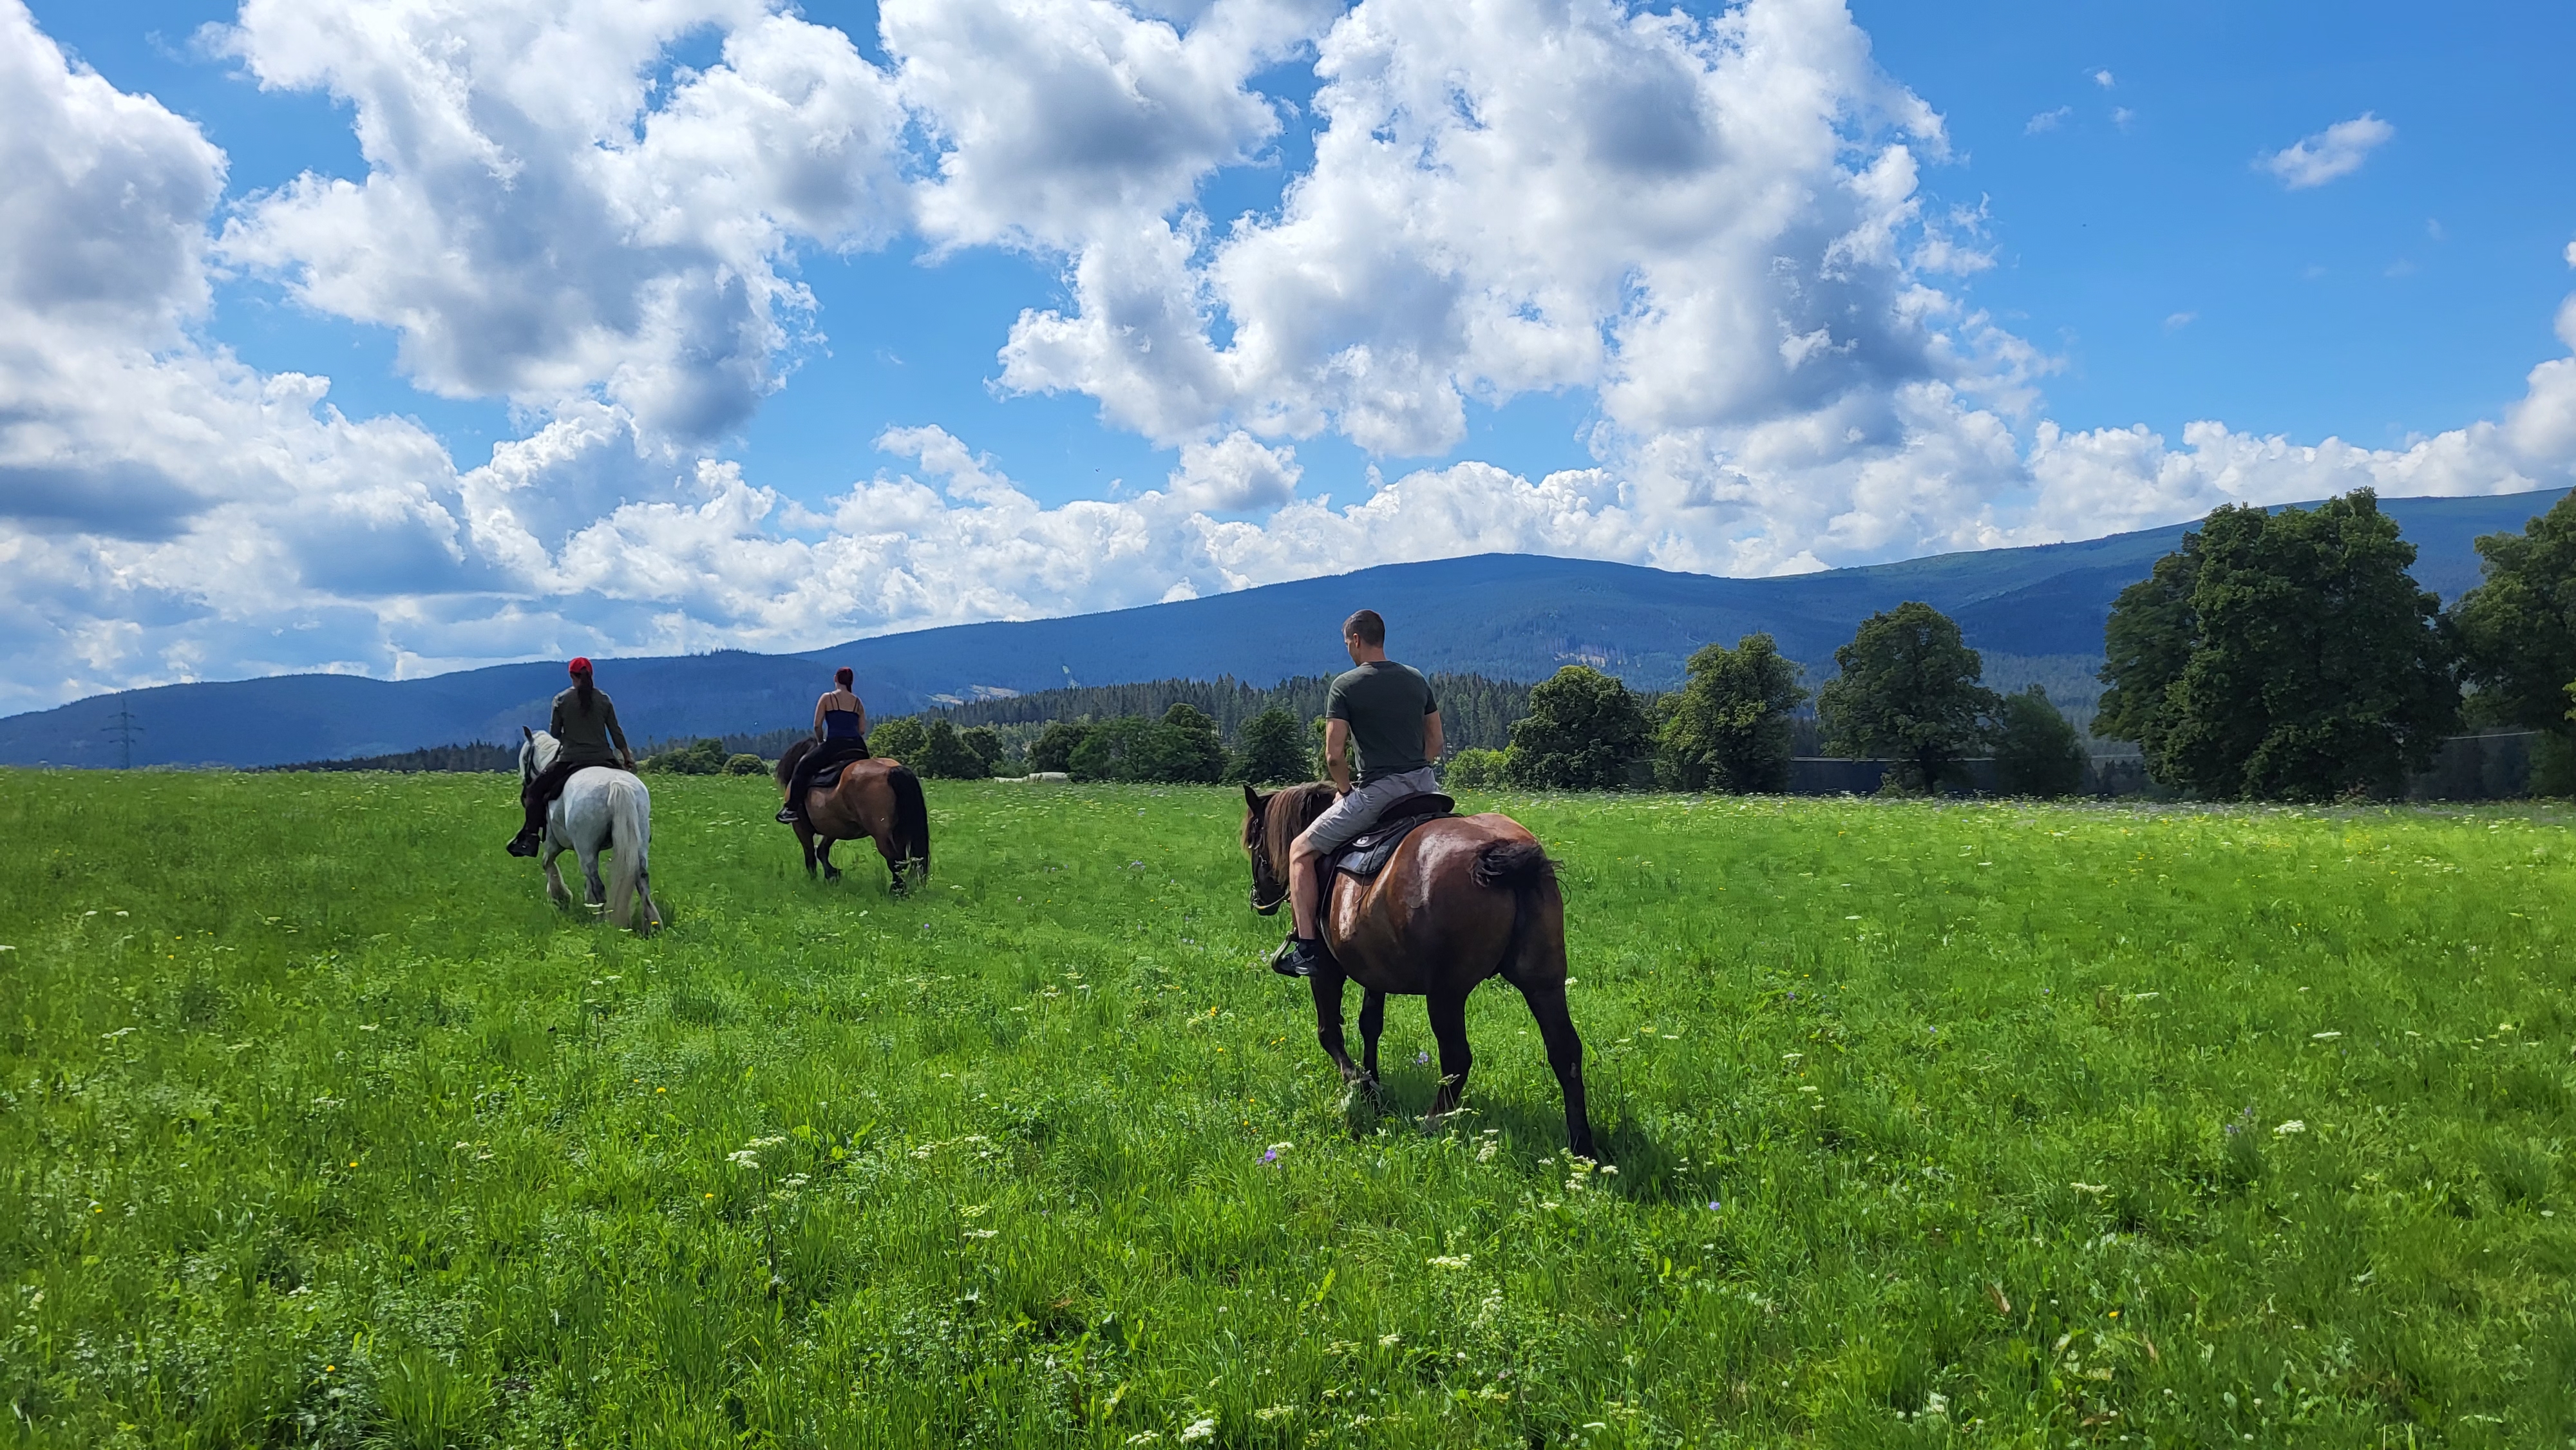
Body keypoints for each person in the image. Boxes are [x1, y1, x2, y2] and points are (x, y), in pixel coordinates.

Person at [1271, 609, 1444, 977]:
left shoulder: (1346, 685)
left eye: (1347, 643)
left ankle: (1306, 949)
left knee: (1300, 851)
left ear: (1355, 640)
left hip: (1379, 792)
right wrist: (1415, 769)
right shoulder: (1416, 679)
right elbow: (1437, 743)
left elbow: (1334, 756)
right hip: (1427, 787)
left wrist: (1346, 790)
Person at [507, 657, 634, 856]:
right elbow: (616, 732)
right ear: (591, 675)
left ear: (571, 676)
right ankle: (640, 832)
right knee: (632, 790)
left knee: (533, 792)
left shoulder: (561, 700)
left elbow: (555, 734)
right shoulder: (604, 699)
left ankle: (531, 838)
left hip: (570, 759)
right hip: (604, 758)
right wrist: (627, 756)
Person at [775, 667, 872, 826]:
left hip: (835, 745)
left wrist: (820, 742)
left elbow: (817, 726)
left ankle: (791, 809)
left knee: (802, 767)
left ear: (836, 678)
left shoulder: (827, 698)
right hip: (858, 747)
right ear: (851, 682)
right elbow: (861, 730)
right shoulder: (857, 702)